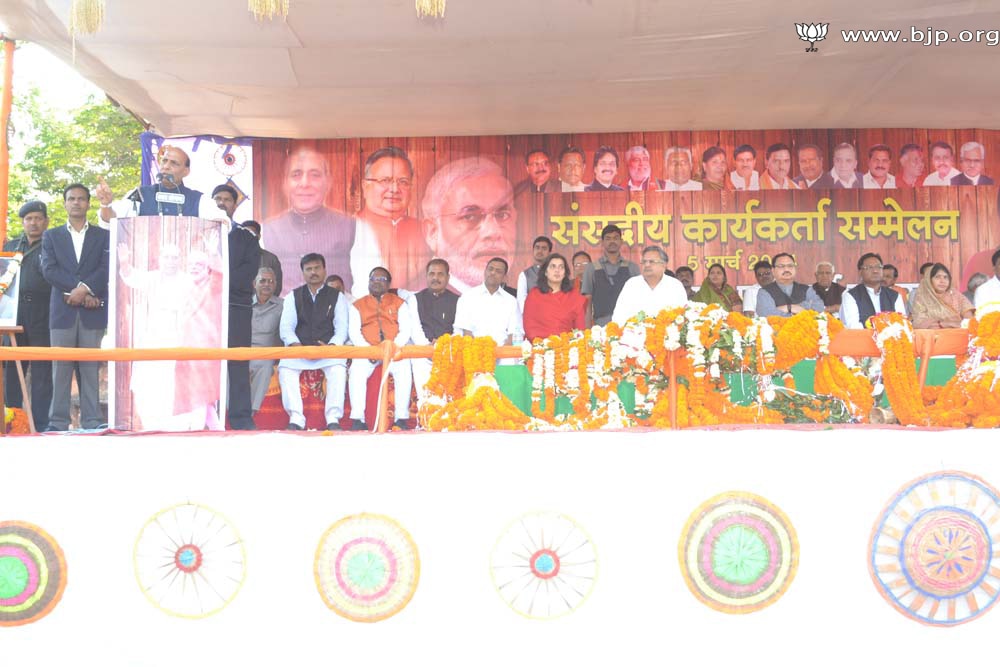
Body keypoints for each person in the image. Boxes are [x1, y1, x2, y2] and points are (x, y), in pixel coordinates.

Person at [40, 184, 109, 431]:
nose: (77, 202)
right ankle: (58, 422)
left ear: (89, 203)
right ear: (65, 203)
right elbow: (49, 269)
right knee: (60, 368)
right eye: (72, 199)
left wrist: (86, 289)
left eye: (81, 199)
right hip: (63, 310)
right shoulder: (52, 236)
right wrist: (78, 290)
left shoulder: (103, 235)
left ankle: (92, 421)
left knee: (90, 366)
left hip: (93, 309)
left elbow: (106, 267)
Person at [116, 241, 193, 430]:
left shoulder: (187, 280)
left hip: (179, 333)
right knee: (149, 378)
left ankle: (172, 424)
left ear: (180, 260)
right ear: (160, 259)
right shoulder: (153, 278)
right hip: (154, 331)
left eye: (174, 257)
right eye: (167, 257)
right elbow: (130, 277)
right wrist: (124, 262)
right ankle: (152, 422)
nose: (170, 261)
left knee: (172, 379)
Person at [261, 146, 357, 294]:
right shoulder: (267, 229)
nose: (305, 183)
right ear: (285, 183)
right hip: (283, 312)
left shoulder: (352, 226)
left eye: (315, 175)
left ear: (328, 182)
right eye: (296, 174)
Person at [422, 157, 517, 293]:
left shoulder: (517, 299)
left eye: (502, 215)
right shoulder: (417, 300)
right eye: (470, 217)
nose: (492, 232)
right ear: (432, 232)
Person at [278, 253, 349, 431]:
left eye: (317, 268)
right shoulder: (293, 296)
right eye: (308, 269)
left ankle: (333, 418)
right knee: (285, 368)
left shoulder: (337, 296)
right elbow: (286, 327)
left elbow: (341, 328)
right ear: (303, 273)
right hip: (300, 349)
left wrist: (332, 347)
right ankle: (296, 419)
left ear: (324, 270)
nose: (313, 272)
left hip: (327, 350)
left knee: (338, 369)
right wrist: (297, 346)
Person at [4, 200, 53, 431]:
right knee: (13, 370)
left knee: (42, 370)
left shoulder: (52, 245)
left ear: (46, 221)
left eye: (38, 218)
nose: (33, 223)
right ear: (22, 222)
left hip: (43, 312)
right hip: (14, 314)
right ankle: (14, 422)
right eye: (29, 219)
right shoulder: (11, 246)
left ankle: (41, 425)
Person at [354, 146, 430, 292]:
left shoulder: (426, 232)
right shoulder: (348, 230)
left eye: (403, 182)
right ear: (365, 186)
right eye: (385, 181)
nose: (395, 189)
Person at [348, 267, 413, 431]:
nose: (377, 282)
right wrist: (370, 351)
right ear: (369, 282)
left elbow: (406, 330)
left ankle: (401, 418)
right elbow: (354, 333)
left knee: (405, 368)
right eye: (373, 279)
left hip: (393, 351)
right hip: (368, 353)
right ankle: (357, 418)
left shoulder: (399, 304)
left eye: (382, 279)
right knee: (356, 370)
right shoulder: (357, 305)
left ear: (389, 283)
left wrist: (392, 348)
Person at [173, 245, 226, 430]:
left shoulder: (213, 285)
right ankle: (216, 428)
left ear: (207, 268)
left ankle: (195, 429)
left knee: (200, 392)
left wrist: (213, 253)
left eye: (199, 264)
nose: (194, 267)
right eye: (191, 264)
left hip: (205, 348)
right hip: (185, 347)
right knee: (195, 394)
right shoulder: (185, 286)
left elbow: (219, 273)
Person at [95, 145, 220, 221]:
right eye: (164, 161)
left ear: (186, 171)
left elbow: (221, 224)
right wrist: (106, 205)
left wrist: (222, 223)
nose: (166, 166)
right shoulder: (140, 194)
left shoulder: (199, 200)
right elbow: (111, 221)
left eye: (174, 163)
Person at [226, 209, 262, 431]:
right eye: (217, 199)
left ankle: (241, 419)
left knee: (238, 362)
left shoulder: (246, 237)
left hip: (236, 308)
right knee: (201, 361)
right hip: (202, 306)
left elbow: (247, 274)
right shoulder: (199, 233)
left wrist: (216, 278)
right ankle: (204, 416)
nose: (221, 203)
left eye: (226, 200)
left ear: (232, 207)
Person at [409, 259, 458, 399]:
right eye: (432, 274)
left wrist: (441, 344)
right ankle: (424, 418)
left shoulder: (457, 301)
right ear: (426, 276)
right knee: (425, 391)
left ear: (448, 277)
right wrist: (428, 347)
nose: (435, 278)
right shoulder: (415, 299)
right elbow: (414, 327)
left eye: (440, 274)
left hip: (447, 351)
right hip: (423, 352)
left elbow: (458, 329)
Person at [453, 257, 523, 349]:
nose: (493, 273)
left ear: (505, 277)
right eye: (490, 269)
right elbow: (466, 333)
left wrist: (501, 354)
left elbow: (514, 333)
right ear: (485, 272)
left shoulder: (511, 301)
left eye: (498, 271)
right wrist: (480, 354)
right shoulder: (468, 297)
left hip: (503, 354)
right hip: (474, 352)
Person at [580, 224, 640, 326]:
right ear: (602, 242)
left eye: (616, 238)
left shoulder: (632, 268)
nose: (612, 241)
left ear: (621, 241)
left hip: (628, 326)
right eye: (608, 238)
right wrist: (587, 329)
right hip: (600, 326)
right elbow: (587, 302)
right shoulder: (591, 268)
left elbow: (639, 299)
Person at [612, 246, 687, 324]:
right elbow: (618, 316)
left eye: (652, 261)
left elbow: (682, 316)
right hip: (635, 334)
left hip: (667, 334)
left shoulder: (675, 286)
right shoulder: (632, 284)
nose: (647, 265)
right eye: (644, 262)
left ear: (664, 265)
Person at [522, 254, 587, 340]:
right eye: (553, 267)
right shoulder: (534, 295)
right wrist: (544, 345)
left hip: (567, 348)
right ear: (545, 272)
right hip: (539, 348)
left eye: (561, 267)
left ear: (565, 273)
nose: (557, 270)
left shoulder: (574, 297)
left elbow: (579, 330)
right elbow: (529, 326)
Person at [840, 253, 907, 328]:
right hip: (862, 338)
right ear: (860, 272)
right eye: (869, 267)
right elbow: (853, 327)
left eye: (878, 267)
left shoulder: (895, 296)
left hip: (890, 338)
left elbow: (902, 324)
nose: (875, 271)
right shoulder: (851, 295)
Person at [249, 267, 283, 414]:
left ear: (275, 285)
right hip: (244, 351)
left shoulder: (283, 305)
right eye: (262, 281)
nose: (266, 284)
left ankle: (251, 410)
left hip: (266, 353)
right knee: (230, 368)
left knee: (265, 366)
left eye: (271, 281)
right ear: (254, 284)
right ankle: (230, 409)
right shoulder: (243, 304)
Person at [755, 252, 824, 318]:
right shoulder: (764, 292)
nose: (786, 269)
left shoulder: (807, 289)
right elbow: (766, 314)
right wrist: (793, 308)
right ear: (773, 271)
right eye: (781, 266)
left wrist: (784, 309)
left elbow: (819, 307)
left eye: (790, 266)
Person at [910, 263, 975, 328]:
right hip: (933, 336)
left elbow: (969, 318)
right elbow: (918, 322)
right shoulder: (922, 298)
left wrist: (964, 322)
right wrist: (944, 324)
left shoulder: (956, 295)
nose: (942, 281)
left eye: (945, 277)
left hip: (959, 334)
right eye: (937, 277)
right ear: (929, 280)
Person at [241, 220, 283, 295]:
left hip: (264, 305)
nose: (248, 236)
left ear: (259, 236)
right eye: (244, 234)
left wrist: (264, 304)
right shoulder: (234, 258)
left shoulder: (271, 259)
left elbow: (277, 287)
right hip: (239, 304)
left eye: (252, 233)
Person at [515, 236, 552, 311]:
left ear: (549, 252)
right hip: (532, 317)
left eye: (544, 248)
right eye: (537, 248)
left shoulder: (556, 273)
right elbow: (521, 301)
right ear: (533, 250)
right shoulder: (524, 275)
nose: (540, 251)